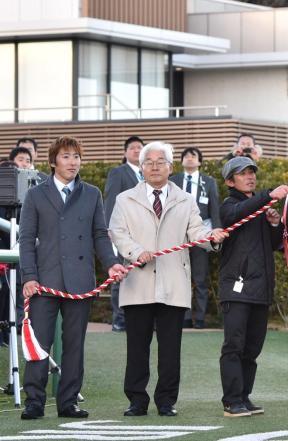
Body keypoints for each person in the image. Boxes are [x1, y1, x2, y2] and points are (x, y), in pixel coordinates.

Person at [109, 141, 228, 417]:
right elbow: (117, 231)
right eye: (148, 162)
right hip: (138, 282)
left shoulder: (185, 200)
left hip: (173, 282)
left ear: (170, 167)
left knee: (170, 348)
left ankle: (166, 401)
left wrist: (212, 239)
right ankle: (137, 400)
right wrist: (136, 252)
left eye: (160, 161)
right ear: (141, 168)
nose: (154, 166)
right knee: (137, 346)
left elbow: (196, 231)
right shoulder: (125, 199)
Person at [18, 136, 128, 420]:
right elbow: (27, 239)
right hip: (43, 281)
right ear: (53, 161)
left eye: (77, 157)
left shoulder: (91, 193)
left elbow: (100, 235)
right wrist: (29, 277)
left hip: (80, 281)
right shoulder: (36, 194)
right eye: (66, 156)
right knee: (39, 344)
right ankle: (34, 402)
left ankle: (68, 402)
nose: (73, 162)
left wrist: (112, 264)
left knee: (74, 345)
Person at [217, 156, 288, 417]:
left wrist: (273, 223)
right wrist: (268, 196)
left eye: (252, 172)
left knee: (252, 349)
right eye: (243, 173)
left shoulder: (257, 208)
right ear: (230, 181)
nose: (250, 177)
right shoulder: (230, 205)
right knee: (234, 345)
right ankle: (231, 401)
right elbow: (234, 216)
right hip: (236, 289)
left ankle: (244, 398)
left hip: (260, 290)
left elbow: (271, 245)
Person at [171, 147, 221, 329]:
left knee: (200, 277)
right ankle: (183, 316)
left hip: (201, 233)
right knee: (180, 276)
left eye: (194, 156)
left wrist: (216, 230)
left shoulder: (209, 181)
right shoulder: (173, 180)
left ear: (200, 161)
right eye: (186, 156)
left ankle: (199, 318)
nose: (190, 158)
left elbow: (215, 206)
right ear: (181, 161)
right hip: (176, 235)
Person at [104, 135, 145, 332]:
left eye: (140, 148)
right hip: (123, 232)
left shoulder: (150, 173)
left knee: (144, 275)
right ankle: (119, 318)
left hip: (146, 232)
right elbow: (111, 199)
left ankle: (143, 318)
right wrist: (110, 228)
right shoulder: (118, 172)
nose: (137, 150)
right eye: (133, 148)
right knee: (122, 272)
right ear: (125, 152)